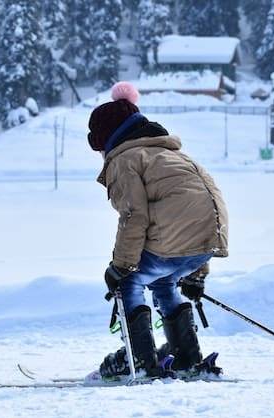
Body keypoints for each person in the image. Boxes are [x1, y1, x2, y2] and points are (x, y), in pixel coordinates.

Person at [88, 82, 229, 379]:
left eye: (99, 147)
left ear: (108, 138)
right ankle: (186, 356)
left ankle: (139, 360)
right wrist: (197, 272)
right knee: (164, 283)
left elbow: (133, 216)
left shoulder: (125, 159)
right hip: (206, 243)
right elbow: (197, 214)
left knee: (129, 283)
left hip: (173, 245)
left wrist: (120, 267)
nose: (101, 155)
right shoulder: (176, 155)